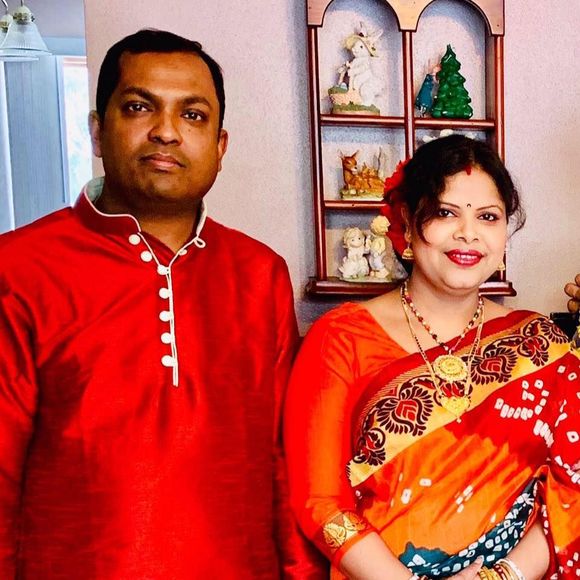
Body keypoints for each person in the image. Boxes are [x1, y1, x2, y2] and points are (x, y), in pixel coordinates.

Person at [0, 29, 325, 579]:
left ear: (220, 147)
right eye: (138, 107)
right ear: (97, 131)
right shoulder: (19, 267)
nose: (167, 131)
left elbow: (282, 460)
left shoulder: (258, 273)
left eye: (193, 115)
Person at [284, 135, 579, 580]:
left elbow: (572, 486)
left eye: (488, 216)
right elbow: (321, 502)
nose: (468, 233)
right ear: (406, 222)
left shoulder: (542, 343)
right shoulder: (341, 339)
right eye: (445, 213)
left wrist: (504, 576)